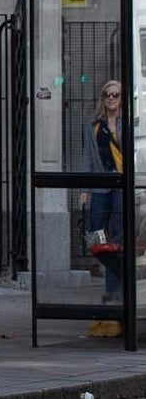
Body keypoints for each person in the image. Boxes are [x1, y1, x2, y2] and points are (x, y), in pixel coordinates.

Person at [79, 77, 127, 337]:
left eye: (116, 95)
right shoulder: (93, 126)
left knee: (117, 241)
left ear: (122, 99)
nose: (111, 99)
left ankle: (114, 293)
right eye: (108, 95)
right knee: (97, 236)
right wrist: (85, 188)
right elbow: (87, 156)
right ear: (102, 98)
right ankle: (111, 282)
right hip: (100, 187)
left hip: (121, 187)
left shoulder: (127, 124)